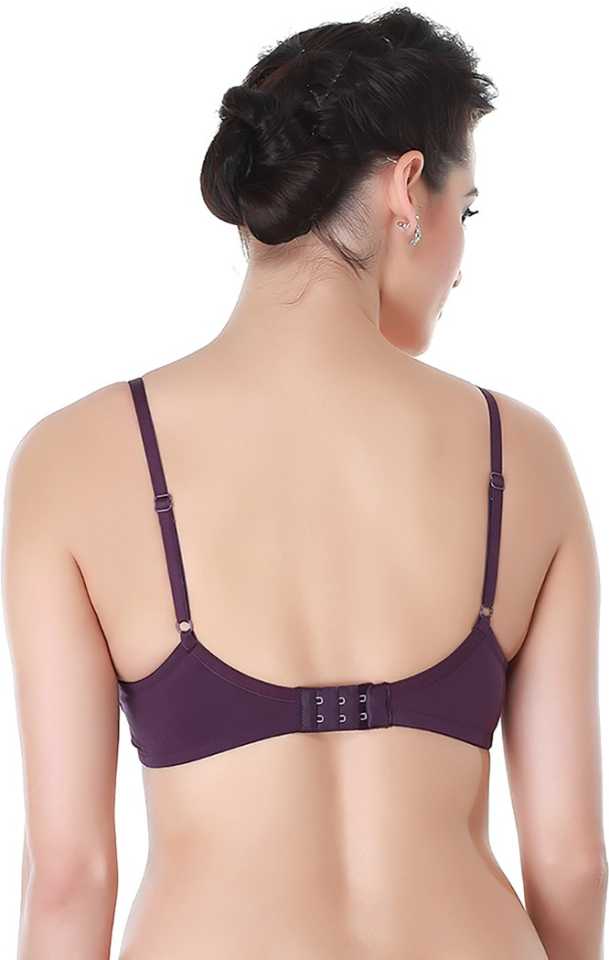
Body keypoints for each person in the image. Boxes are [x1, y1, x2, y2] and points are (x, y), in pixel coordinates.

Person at [2, 7, 606, 959]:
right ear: (408, 188)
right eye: (466, 210)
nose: (460, 263)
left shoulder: (72, 457)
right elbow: (570, 863)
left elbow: (70, 874)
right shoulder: (520, 453)